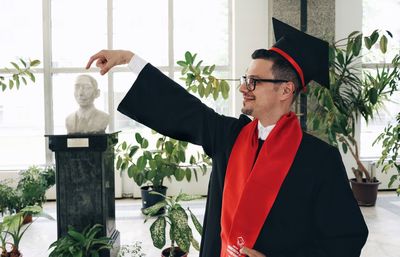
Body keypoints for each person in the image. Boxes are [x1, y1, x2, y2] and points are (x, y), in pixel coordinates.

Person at [86, 18, 368, 257]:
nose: (244, 88)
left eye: (254, 81)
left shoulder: (318, 159)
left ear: (285, 90)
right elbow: (185, 108)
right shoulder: (230, 137)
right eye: (245, 79)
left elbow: (345, 238)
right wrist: (129, 59)